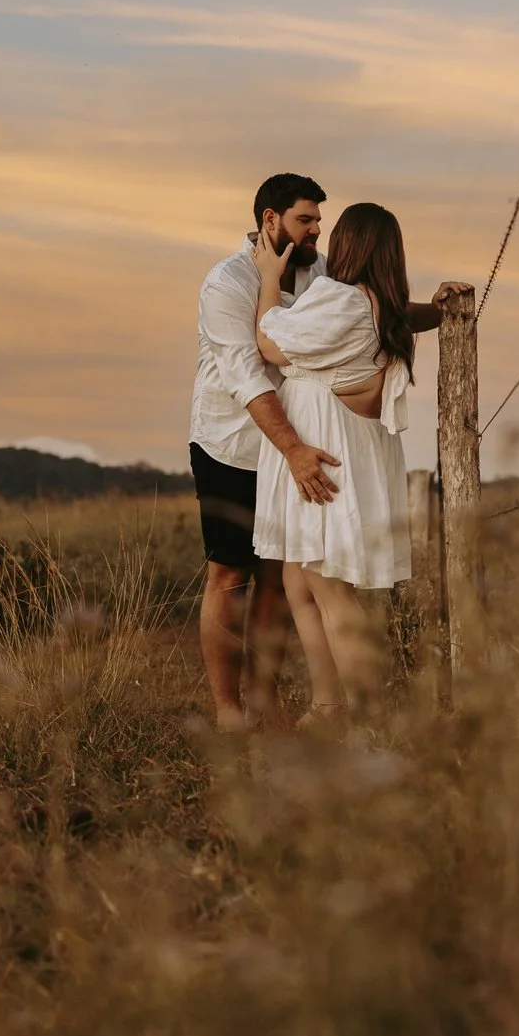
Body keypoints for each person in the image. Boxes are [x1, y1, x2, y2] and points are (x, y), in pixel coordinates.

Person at [250, 202, 469, 719]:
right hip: (343, 444)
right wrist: (436, 309)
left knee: (327, 589)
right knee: (300, 581)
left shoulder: (339, 298)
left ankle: (368, 720)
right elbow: (407, 315)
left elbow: (268, 343)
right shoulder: (380, 305)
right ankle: (329, 704)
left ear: (348, 246)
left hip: (325, 447)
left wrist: (267, 277)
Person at [189, 174, 345, 732]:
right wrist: (296, 450)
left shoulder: (319, 271)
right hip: (232, 444)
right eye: (306, 219)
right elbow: (247, 378)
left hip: (292, 450)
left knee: (279, 581)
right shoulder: (226, 283)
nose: (316, 230)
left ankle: (264, 701)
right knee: (230, 576)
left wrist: (438, 308)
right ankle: (228, 712)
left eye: (318, 220)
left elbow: (365, 312)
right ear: (271, 220)